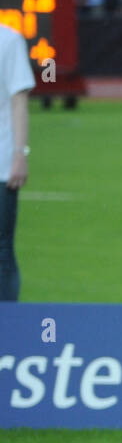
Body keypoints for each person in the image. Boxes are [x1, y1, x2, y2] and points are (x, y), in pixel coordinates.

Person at [0, 23, 33, 302]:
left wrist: (20, 154)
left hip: (2, 165)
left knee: (1, 251)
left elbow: (19, 100)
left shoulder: (8, 40)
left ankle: (7, 328)